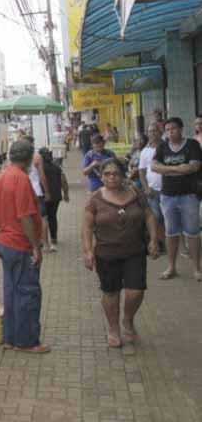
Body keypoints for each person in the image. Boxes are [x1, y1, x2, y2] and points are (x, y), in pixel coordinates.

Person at [82, 158, 159, 347]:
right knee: (111, 293)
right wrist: (88, 251)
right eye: (107, 174)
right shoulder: (95, 199)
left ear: (123, 175)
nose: (111, 177)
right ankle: (113, 328)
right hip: (107, 253)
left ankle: (128, 320)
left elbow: (149, 215)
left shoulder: (135, 193)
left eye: (116, 173)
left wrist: (154, 239)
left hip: (135, 251)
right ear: (101, 176)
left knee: (136, 291)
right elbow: (86, 226)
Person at [0, 139, 49, 353]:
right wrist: (35, 246)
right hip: (20, 244)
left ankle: (11, 337)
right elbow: (25, 215)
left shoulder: (2, 176)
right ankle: (26, 341)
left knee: (12, 292)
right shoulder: (21, 179)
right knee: (27, 292)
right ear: (28, 159)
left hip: (5, 241)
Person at [150, 117, 202, 281]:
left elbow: (193, 166)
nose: (171, 132)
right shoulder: (162, 146)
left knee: (192, 233)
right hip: (168, 196)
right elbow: (153, 166)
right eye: (167, 129)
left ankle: (196, 269)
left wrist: (165, 170)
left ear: (181, 129)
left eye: (174, 128)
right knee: (171, 233)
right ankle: (171, 267)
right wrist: (178, 169)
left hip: (189, 196)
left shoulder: (192, 144)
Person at [138, 124, 166, 249]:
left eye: (155, 130)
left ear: (160, 132)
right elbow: (142, 172)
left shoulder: (167, 146)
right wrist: (146, 188)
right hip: (153, 190)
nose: (152, 133)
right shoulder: (145, 151)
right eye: (150, 131)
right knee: (156, 216)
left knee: (169, 216)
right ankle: (160, 242)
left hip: (169, 189)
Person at [40, 147, 69, 251]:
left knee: (43, 218)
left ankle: (44, 240)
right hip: (56, 196)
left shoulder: (39, 168)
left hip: (42, 196)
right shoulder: (57, 167)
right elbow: (64, 182)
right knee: (52, 217)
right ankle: (54, 238)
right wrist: (66, 194)